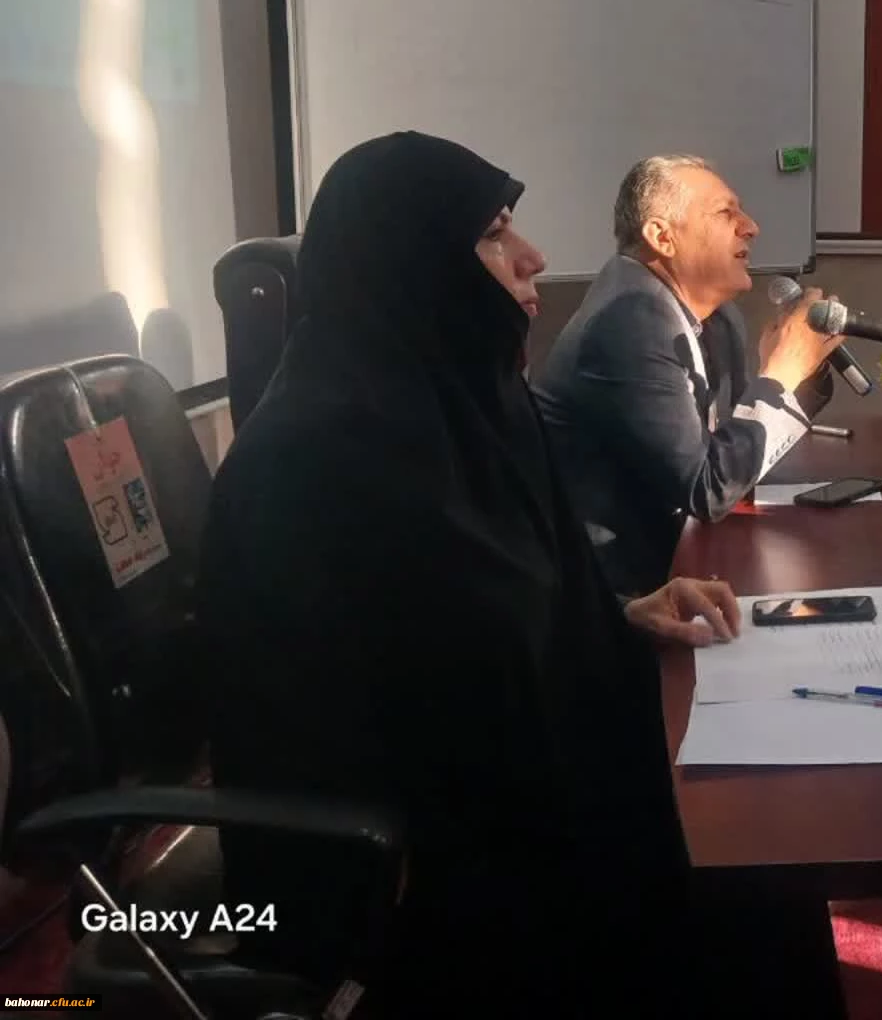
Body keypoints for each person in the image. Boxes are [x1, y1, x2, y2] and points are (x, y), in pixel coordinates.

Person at [194, 132, 750, 1013]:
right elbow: (421, 706)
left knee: (746, 898)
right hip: (399, 878)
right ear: (414, 264)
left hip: (496, 811)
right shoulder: (318, 460)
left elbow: (495, 616)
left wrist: (615, 613)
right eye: (493, 234)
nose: (533, 256)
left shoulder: (469, 401)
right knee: (738, 912)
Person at [532, 154, 846, 598]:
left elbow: (738, 462)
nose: (751, 227)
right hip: (618, 593)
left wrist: (801, 369)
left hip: (684, 560)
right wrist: (781, 372)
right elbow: (708, 488)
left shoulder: (719, 318)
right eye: (725, 213)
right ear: (662, 237)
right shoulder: (629, 319)